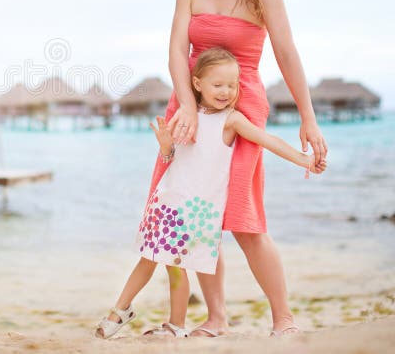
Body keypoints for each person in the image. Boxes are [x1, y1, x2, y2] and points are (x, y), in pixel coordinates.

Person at [162, 0, 328, 337]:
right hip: (189, 103)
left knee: (243, 215)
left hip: (242, 107)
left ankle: (284, 320)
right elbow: (178, 52)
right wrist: (188, 107)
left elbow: (287, 54)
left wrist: (307, 117)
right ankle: (215, 317)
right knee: (195, 213)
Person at [95, 48, 325, 339]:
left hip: (200, 210)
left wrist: (303, 159)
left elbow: (268, 140)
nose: (226, 91)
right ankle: (128, 313)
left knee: (177, 267)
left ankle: (171, 324)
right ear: (197, 83)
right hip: (168, 202)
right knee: (152, 260)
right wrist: (165, 146)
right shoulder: (185, 115)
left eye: (232, 85)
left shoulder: (232, 120)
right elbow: (173, 159)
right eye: (218, 85)